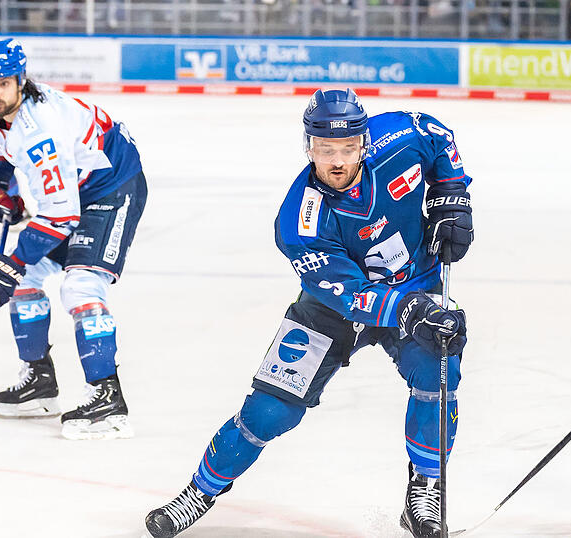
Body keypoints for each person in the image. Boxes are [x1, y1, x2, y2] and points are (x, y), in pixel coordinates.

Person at [143, 88, 473, 538]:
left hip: (413, 284)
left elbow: (437, 135)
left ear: (364, 141)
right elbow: (349, 295)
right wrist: (410, 310)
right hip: (332, 308)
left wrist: (452, 193)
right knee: (269, 411)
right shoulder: (300, 219)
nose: (337, 161)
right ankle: (198, 493)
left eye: (347, 148)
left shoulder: (401, 135)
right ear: (308, 146)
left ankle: (425, 489)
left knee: (439, 371)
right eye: (325, 149)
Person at [0, 38, 147, 440]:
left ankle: (107, 397)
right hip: (76, 189)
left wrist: (11, 262)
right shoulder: (3, 113)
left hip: (112, 187)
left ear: (20, 81)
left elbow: (61, 214)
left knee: (79, 285)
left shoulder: (40, 129)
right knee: (24, 282)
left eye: (3, 83)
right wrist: (0, 189)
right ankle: (39, 383)